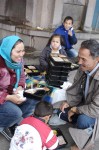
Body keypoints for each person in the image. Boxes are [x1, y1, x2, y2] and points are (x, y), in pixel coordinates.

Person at [56, 39, 99, 150]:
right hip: (86, 104)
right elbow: (75, 88)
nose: (79, 62)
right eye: (79, 57)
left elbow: (95, 109)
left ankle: (84, 143)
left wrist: (76, 109)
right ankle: (83, 124)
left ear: (97, 59)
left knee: (83, 120)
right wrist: (69, 102)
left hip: (96, 111)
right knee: (61, 111)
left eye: (83, 59)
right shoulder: (83, 67)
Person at [0, 35, 38, 140]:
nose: (21, 55)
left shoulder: (19, 61)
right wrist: (9, 97)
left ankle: (13, 122)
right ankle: (4, 124)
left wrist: (20, 88)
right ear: (8, 51)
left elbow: (21, 76)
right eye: (18, 51)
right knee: (15, 112)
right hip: (2, 96)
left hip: (12, 92)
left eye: (23, 51)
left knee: (34, 98)